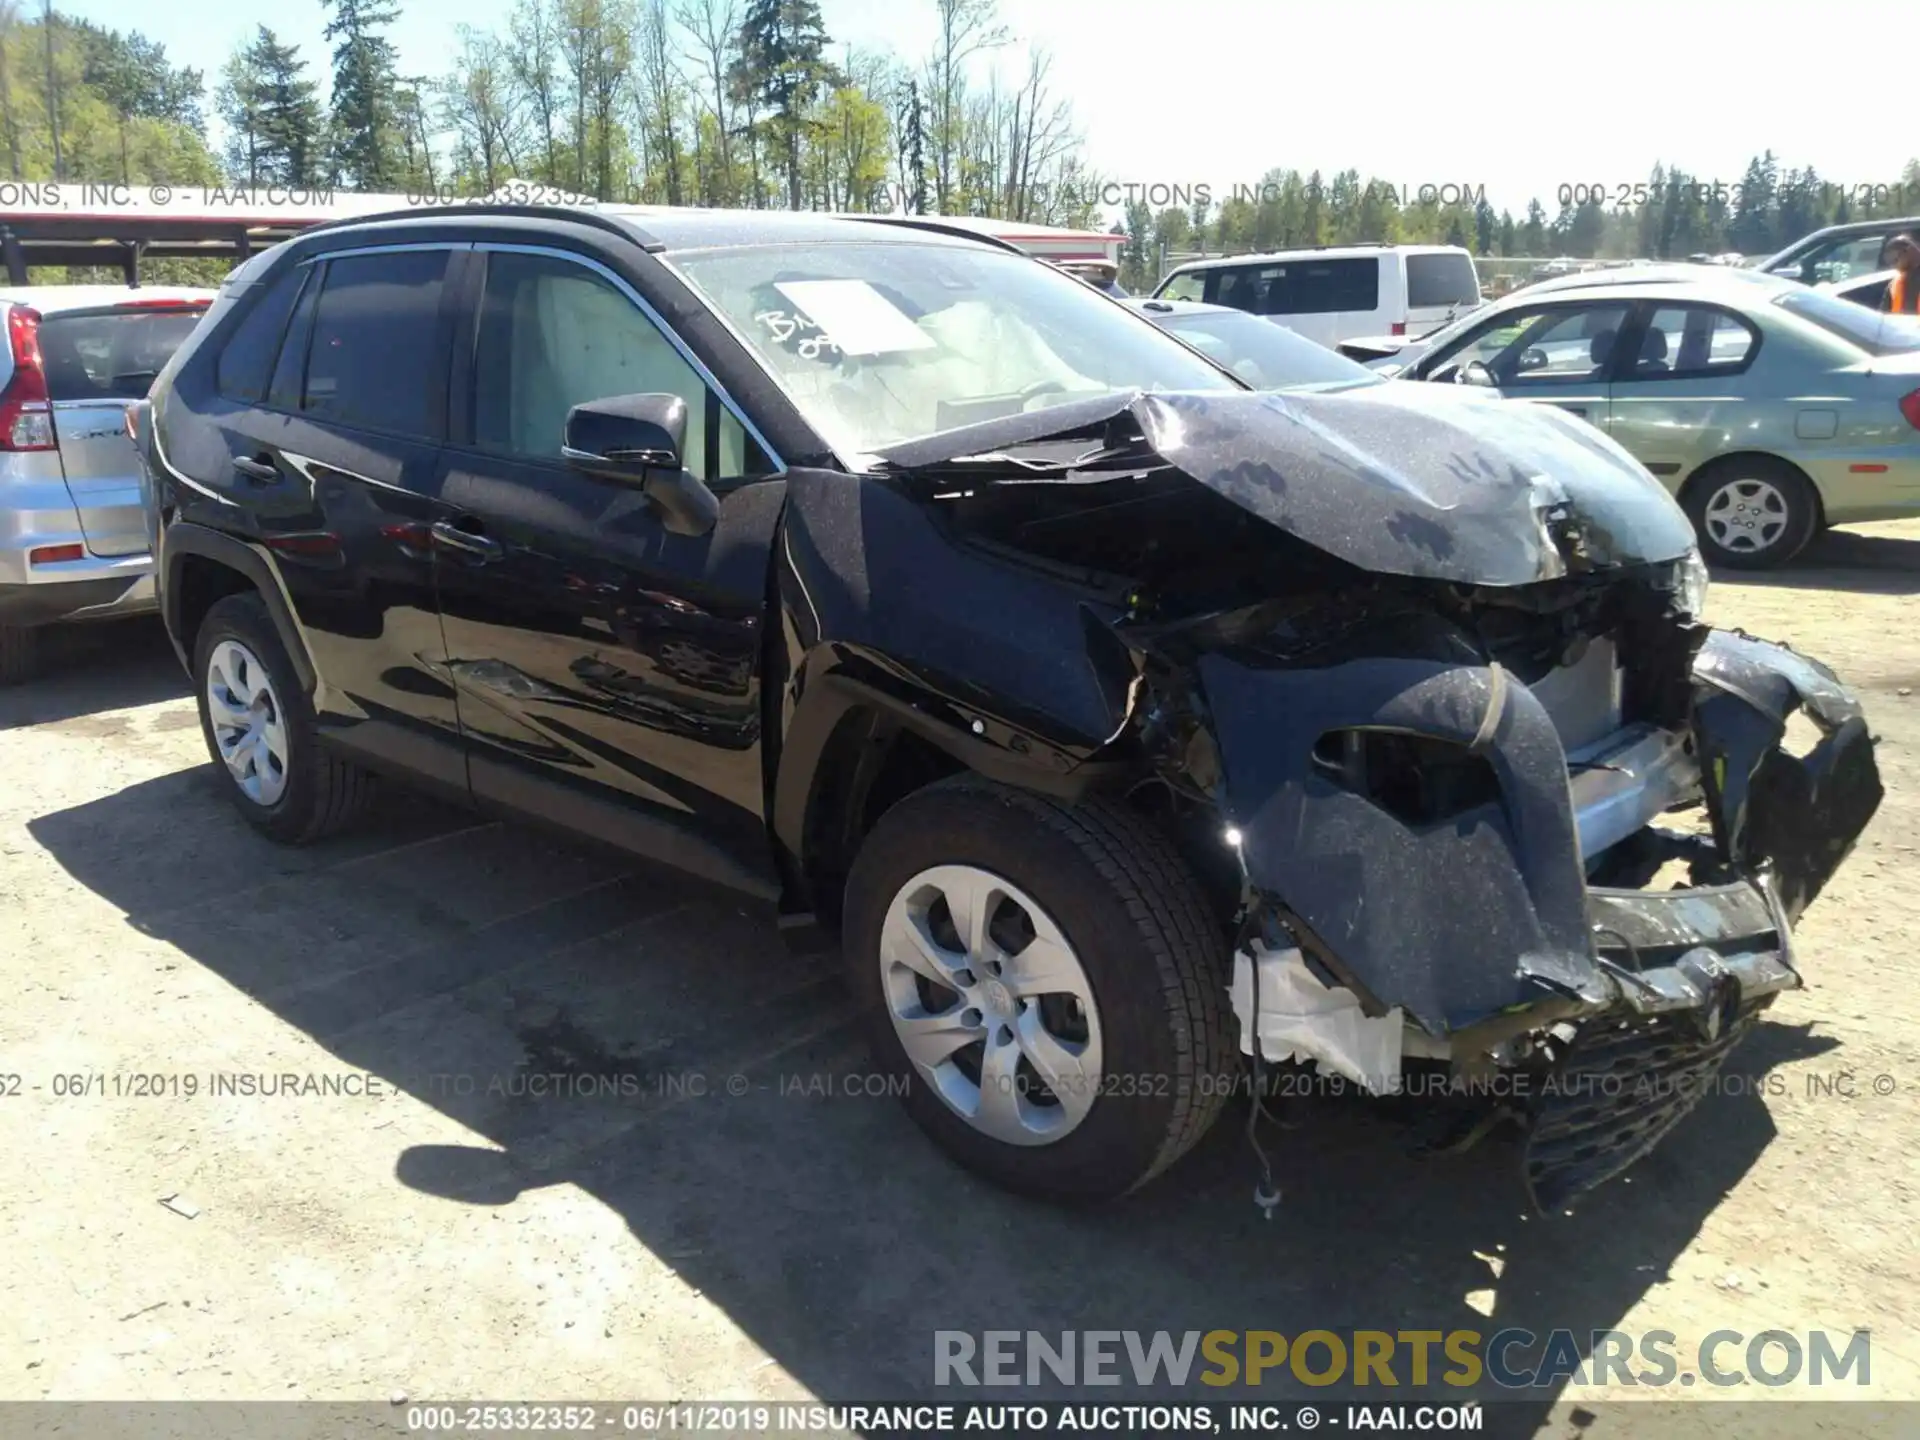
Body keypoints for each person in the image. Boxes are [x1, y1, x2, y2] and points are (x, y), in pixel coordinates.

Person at [1882, 234, 1919, 315]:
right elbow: (1883, 317)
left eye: (1895, 260)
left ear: (1909, 251)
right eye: (1889, 262)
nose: (1893, 266)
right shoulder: (1894, 285)